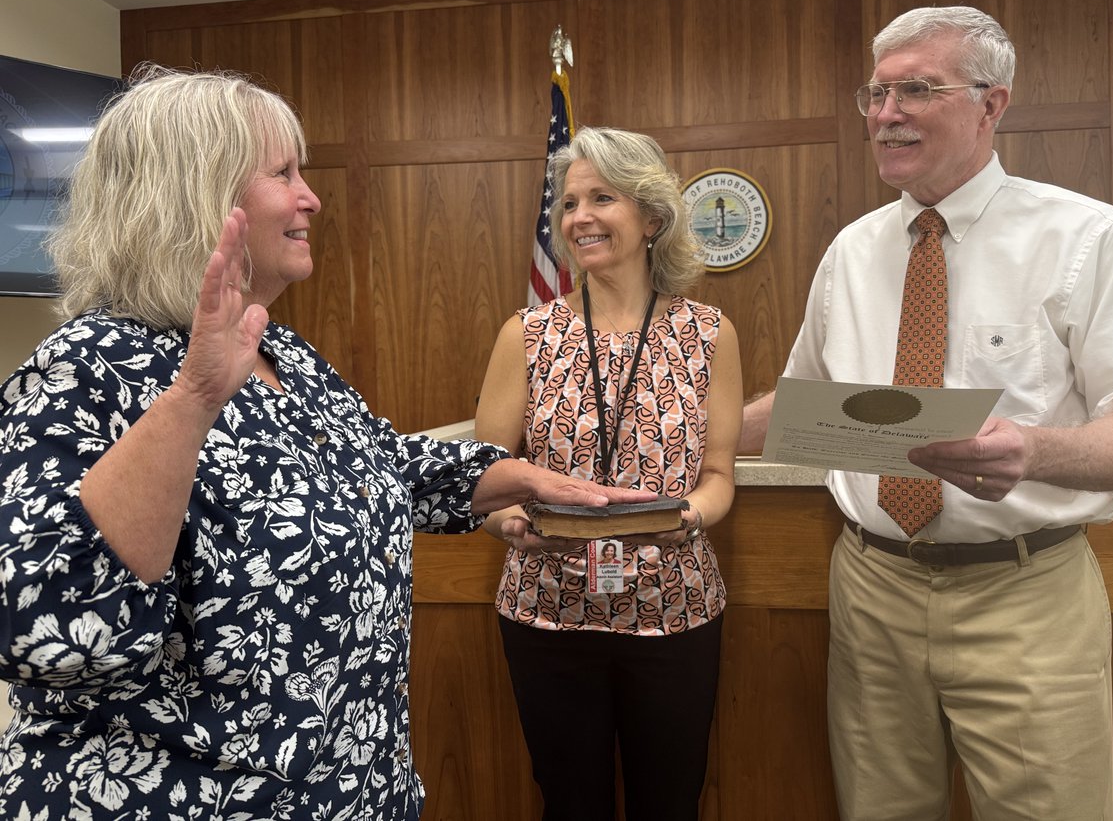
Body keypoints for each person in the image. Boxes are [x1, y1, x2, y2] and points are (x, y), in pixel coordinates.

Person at [0, 66, 652, 821]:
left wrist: (515, 477)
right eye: (283, 173)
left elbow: (380, 465)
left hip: (354, 790)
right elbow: (46, 626)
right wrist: (194, 400)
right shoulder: (87, 367)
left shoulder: (285, 352)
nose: (311, 196)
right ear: (199, 194)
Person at [741, 6, 1113, 820]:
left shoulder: (1085, 237)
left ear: (992, 103)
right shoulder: (852, 250)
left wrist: (1035, 449)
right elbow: (797, 408)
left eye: (917, 89)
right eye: (876, 94)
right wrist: (658, 434)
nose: (885, 115)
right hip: (871, 589)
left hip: (1025, 596)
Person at [475, 126, 742, 821]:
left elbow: (718, 475)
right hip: (549, 612)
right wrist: (511, 525)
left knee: (670, 800)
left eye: (602, 198)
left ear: (652, 217)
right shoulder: (526, 335)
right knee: (570, 803)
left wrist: (690, 515)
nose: (578, 218)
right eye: (568, 204)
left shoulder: (709, 332)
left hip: (675, 609)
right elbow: (486, 480)